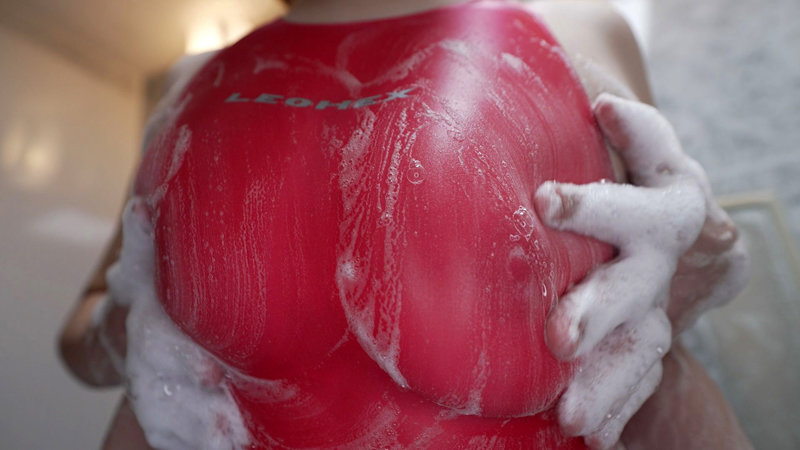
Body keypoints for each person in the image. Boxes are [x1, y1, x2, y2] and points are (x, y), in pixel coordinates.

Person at [58, 0, 751, 448]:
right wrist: (126, 325)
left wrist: (696, 264)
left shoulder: (583, 29)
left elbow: (666, 326)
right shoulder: (188, 86)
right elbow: (80, 334)